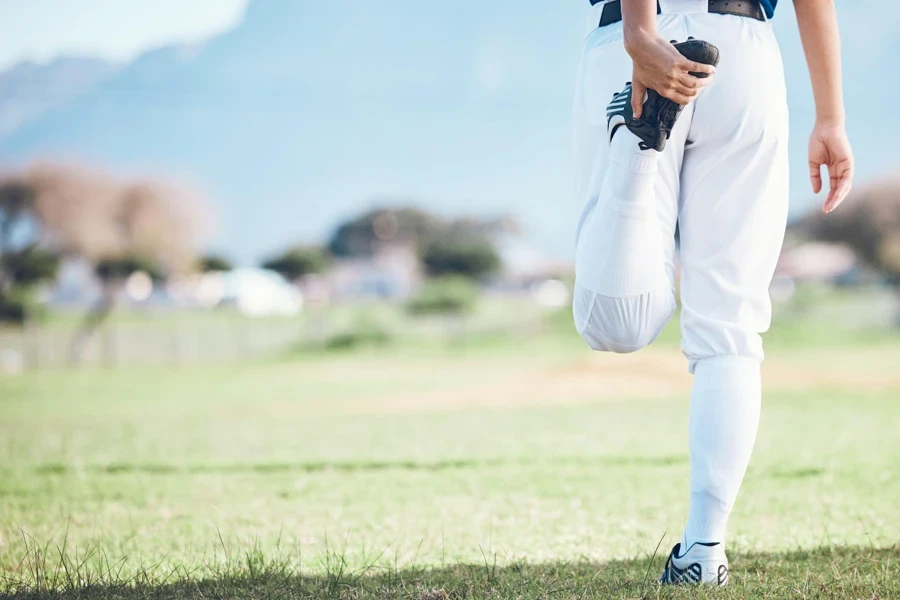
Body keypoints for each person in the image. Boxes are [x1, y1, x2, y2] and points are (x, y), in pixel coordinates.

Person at [571, 0, 853, 586]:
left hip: (630, 41)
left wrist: (640, 33)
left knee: (613, 326)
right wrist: (830, 117)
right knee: (730, 329)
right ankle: (703, 551)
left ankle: (636, 146)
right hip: (743, 51)